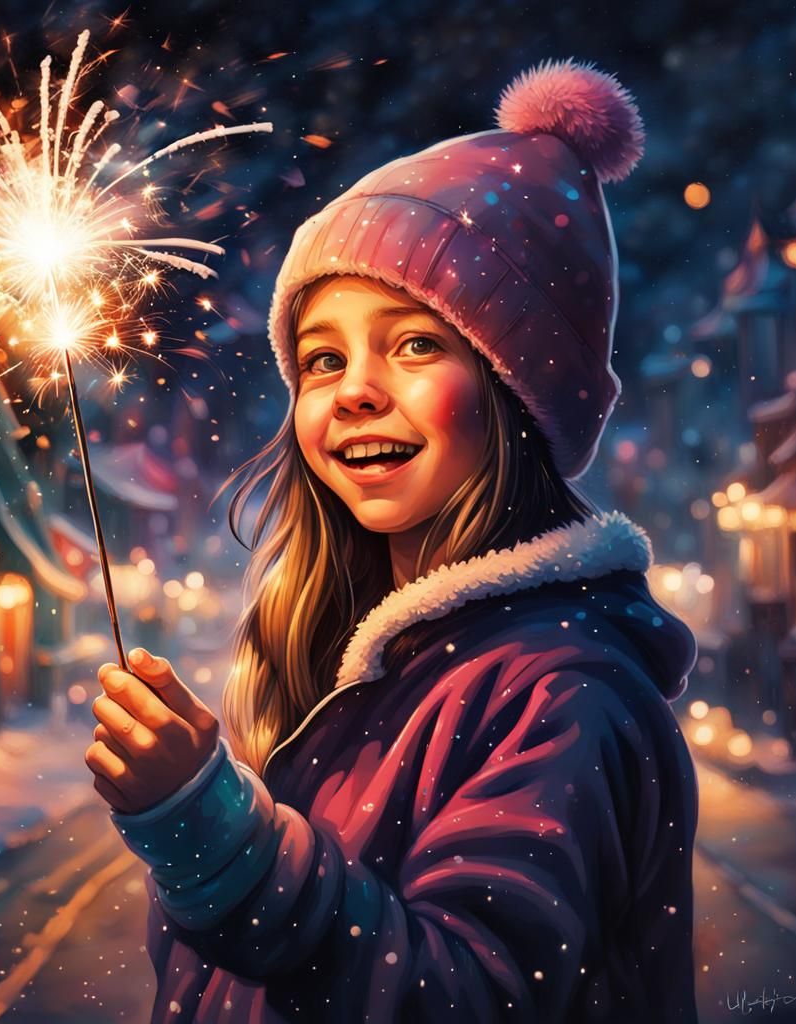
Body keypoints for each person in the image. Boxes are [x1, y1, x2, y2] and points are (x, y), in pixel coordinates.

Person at [85, 58, 699, 1023]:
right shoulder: (350, 668)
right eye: (323, 357)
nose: (356, 388)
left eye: (416, 343)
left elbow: (463, 996)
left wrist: (218, 842)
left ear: (517, 392)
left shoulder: (564, 693)